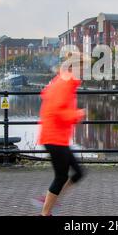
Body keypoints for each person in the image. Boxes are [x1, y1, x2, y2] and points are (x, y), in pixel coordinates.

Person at [36, 64, 86, 216]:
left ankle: (50, 199)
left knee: (78, 172)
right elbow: (57, 110)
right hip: (54, 137)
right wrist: (77, 115)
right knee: (61, 176)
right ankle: (45, 212)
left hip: (57, 137)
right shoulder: (63, 84)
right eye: (83, 69)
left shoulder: (63, 82)